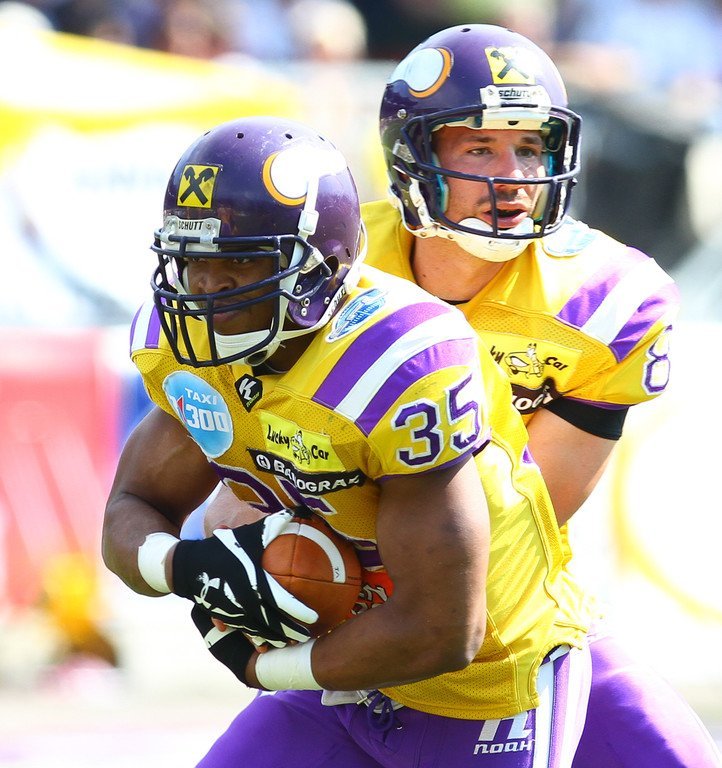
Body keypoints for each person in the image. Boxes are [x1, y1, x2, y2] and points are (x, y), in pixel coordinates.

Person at [102, 115, 598, 767]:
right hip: (336, 670)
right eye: (192, 260)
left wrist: (264, 667)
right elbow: (132, 506)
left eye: (239, 261)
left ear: (317, 268)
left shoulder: (400, 362)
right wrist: (186, 566)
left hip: (484, 685)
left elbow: (444, 628)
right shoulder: (187, 346)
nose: (207, 287)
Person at [360, 23, 719, 768]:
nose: (515, 175)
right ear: (411, 155)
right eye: (479, 148)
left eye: (530, 148)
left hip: (511, 623)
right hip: (348, 615)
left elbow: (519, 523)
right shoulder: (338, 267)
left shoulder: (605, 299)